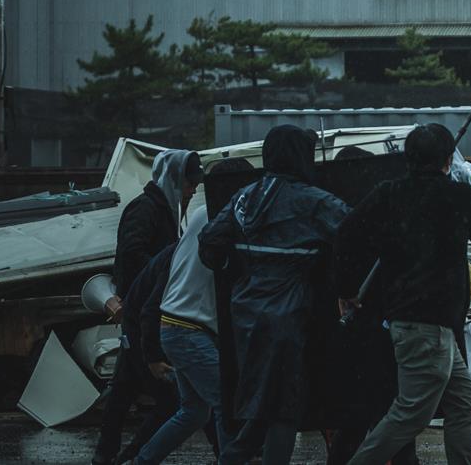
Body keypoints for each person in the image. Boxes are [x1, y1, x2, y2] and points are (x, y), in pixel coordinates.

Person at [334, 123, 471, 465]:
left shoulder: (389, 193)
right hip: (429, 328)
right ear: (448, 160)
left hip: (425, 326)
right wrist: (466, 185)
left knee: (464, 404)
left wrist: (346, 289)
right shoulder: (457, 195)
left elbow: (346, 235)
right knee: (410, 416)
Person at [201, 126, 348, 465]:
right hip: (288, 312)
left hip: (245, 311)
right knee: (282, 407)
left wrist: (238, 265)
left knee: (262, 405)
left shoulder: (243, 196)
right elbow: (357, 231)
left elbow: (209, 244)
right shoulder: (314, 200)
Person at [127, 159, 249, 465]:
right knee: (228, 402)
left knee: (194, 412)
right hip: (189, 330)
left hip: (175, 326)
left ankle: (140, 462)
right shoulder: (227, 218)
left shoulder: (200, 214)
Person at [95, 148, 202, 465]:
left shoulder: (163, 208)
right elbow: (132, 255)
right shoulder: (146, 209)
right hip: (144, 312)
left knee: (124, 390)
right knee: (170, 399)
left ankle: (107, 455)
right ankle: (132, 456)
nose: (193, 190)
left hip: (145, 310)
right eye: (189, 184)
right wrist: (162, 283)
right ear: (173, 180)